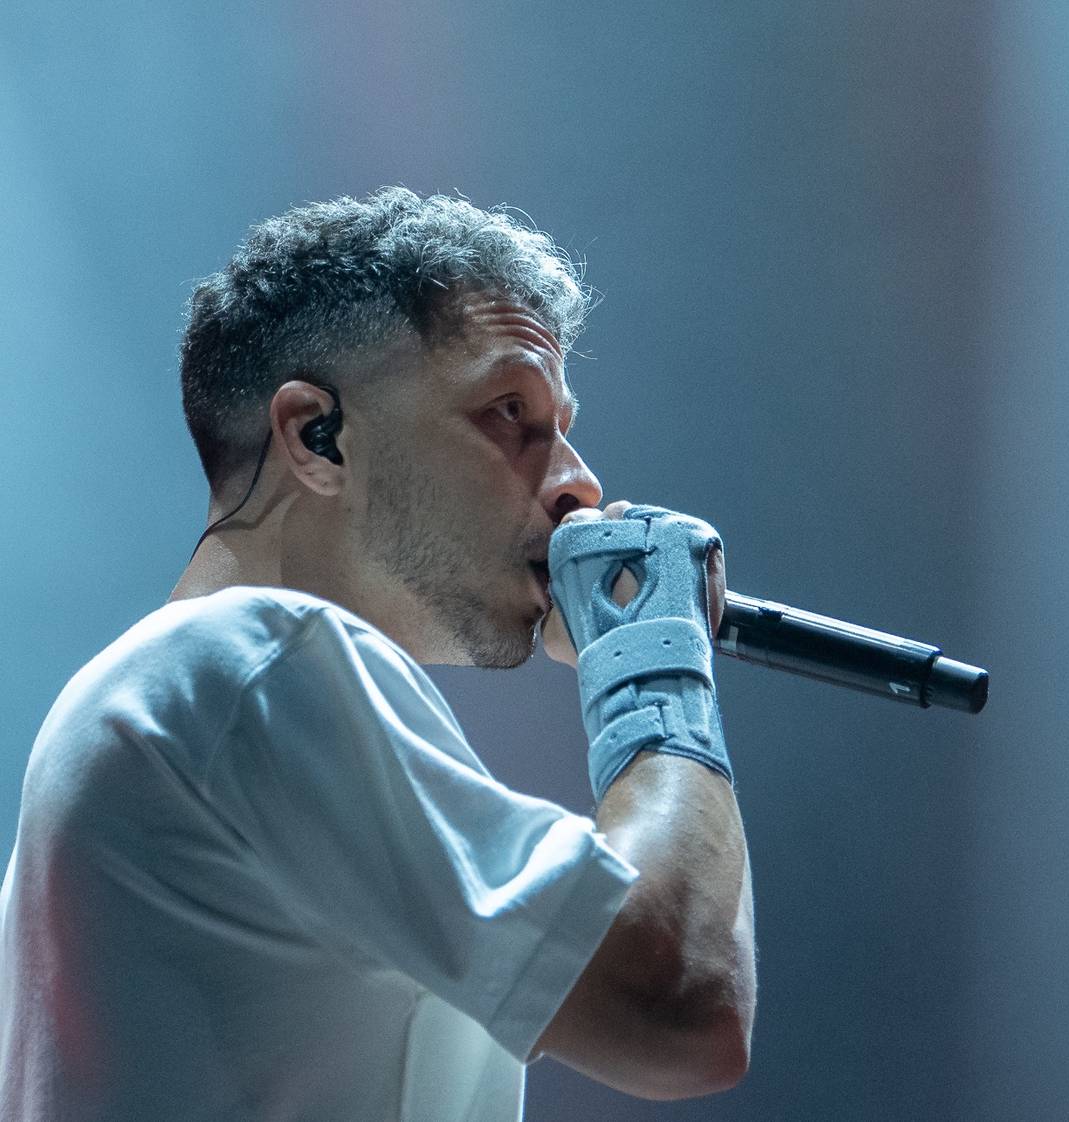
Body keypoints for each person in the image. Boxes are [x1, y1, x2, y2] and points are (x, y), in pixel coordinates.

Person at [0, 188, 756, 1119]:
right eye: (509, 411)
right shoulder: (250, 659)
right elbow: (677, 1000)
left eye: (562, 427)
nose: (578, 485)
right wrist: (654, 668)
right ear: (318, 436)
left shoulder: (156, 703)